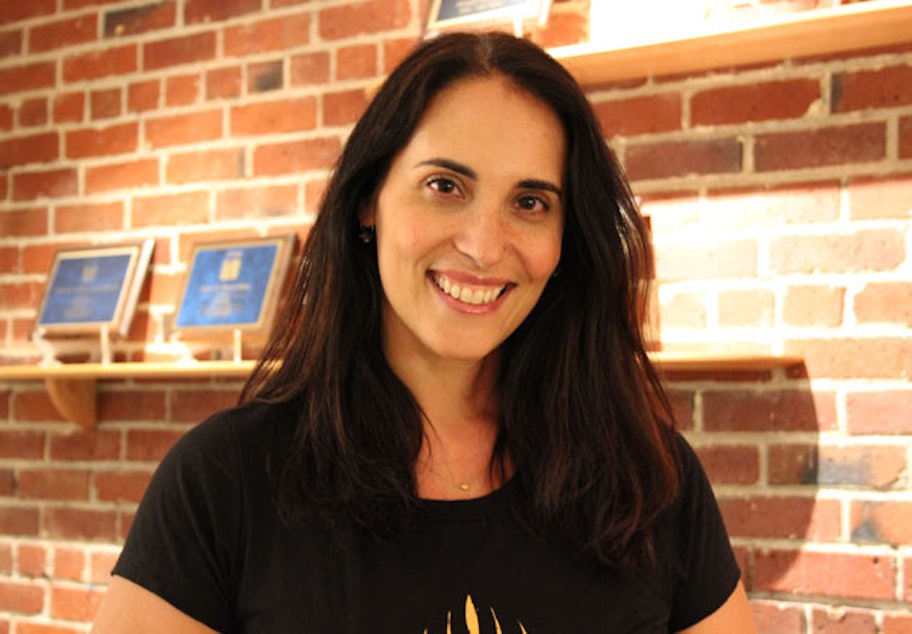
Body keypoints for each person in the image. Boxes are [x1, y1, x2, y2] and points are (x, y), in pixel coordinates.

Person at [91, 31, 756, 633]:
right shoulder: (224, 481)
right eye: (444, 186)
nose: (484, 245)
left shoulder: (649, 479)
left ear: (566, 239)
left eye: (529, 203)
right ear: (367, 202)